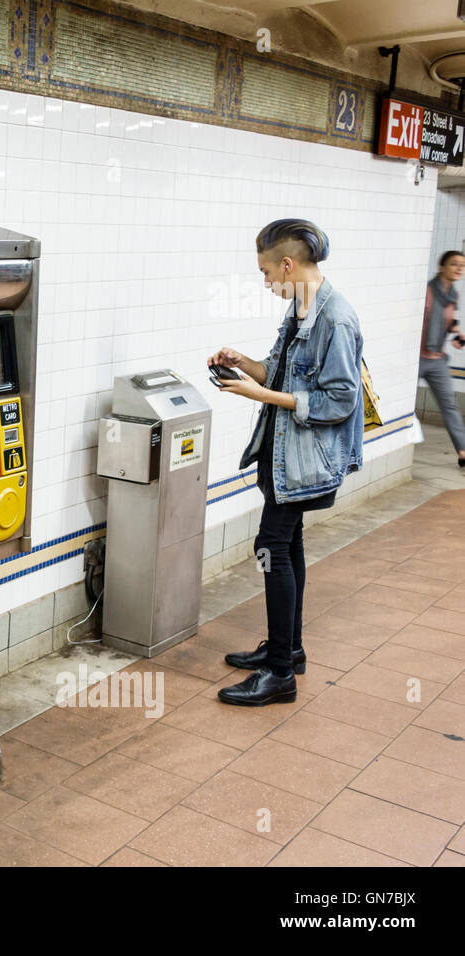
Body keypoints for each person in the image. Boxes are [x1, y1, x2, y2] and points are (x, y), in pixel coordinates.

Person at [207, 219, 363, 706]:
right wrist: (244, 364)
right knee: (287, 541)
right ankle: (287, 650)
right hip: (284, 453)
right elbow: (282, 375)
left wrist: (262, 393)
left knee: (270, 546)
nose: (266, 281)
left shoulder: (335, 318)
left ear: (289, 265)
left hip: (306, 457)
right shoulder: (302, 309)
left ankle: (279, 676)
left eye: (267, 272)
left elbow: (340, 399)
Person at [421, 251, 465, 467]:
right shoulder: (427, 291)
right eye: (454, 264)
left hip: (437, 359)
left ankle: (463, 452)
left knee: (449, 405)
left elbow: (452, 319)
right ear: (441, 267)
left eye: (462, 265)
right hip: (418, 358)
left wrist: (457, 332)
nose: (459, 268)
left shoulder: (452, 295)